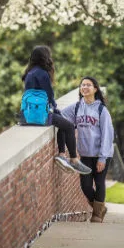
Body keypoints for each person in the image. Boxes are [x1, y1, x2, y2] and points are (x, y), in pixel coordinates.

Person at [21, 45, 91, 175]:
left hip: (28, 114)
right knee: (69, 126)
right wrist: (55, 109)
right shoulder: (42, 73)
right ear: (45, 58)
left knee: (62, 122)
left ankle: (62, 155)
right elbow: (49, 95)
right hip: (41, 115)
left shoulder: (29, 73)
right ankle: (74, 160)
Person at [61, 76, 114, 223]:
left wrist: (103, 157)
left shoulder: (101, 110)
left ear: (95, 89)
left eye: (88, 85)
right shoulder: (77, 107)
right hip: (85, 154)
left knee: (99, 181)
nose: (84, 87)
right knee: (85, 186)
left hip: (101, 153)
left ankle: (97, 215)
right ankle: (100, 208)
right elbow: (61, 115)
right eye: (82, 85)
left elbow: (107, 135)